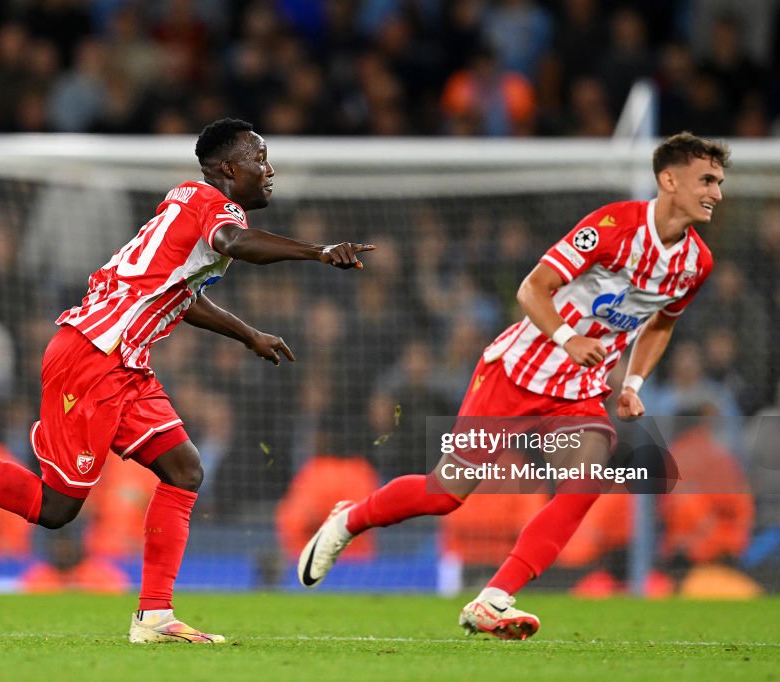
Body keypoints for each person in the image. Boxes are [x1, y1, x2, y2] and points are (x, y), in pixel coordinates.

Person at [0, 118, 373, 645]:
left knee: (184, 469)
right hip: (92, 356)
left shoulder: (192, 207)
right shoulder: (215, 209)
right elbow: (235, 241)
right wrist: (318, 251)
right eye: (260, 159)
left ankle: (155, 617)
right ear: (229, 169)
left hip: (125, 362)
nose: (269, 171)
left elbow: (183, 294)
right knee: (56, 509)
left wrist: (248, 334)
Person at [298, 131, 729, 640]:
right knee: (445, 493)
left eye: (720, 182)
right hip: (515, 373)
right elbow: (533, 288)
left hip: (578, 390)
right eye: (707, 180)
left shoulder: (696, 262)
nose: (717, 193)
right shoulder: (612, 226)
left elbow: (661, 323)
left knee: (587, 479)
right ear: (669, 179)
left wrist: (632, 380)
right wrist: (568, 339)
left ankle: (494, 597)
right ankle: (348, 522)